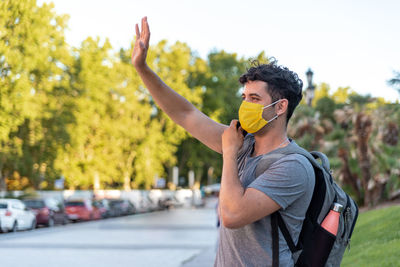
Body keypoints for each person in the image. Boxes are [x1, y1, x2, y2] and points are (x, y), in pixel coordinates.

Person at [132, 17, 315, 267]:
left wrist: (229, 153)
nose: (245, 105)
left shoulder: (293, 166)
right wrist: (143, 68)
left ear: (280, 106)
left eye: (254, 98)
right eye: (244, 97)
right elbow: (186, 114)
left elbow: (231, 214)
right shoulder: (243, 144)